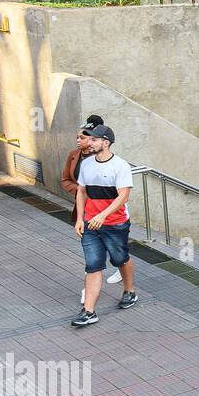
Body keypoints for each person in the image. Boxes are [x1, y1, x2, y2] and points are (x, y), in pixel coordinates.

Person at [71, 124, 136, 327]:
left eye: (94, 140)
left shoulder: (121, 166)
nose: (90, 143)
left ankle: (129, 291)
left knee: (120, 259)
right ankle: (89, 311)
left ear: (105, 142)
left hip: (116, 224)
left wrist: (104, 215)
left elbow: (123, 195)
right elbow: (81, 192)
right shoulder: (87, 164)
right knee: (93, 266)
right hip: (91, 224)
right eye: (89, 139)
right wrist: (80, 219)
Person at [61, 115, 103, 223]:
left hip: (101, 207)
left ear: (92, 139)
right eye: (77, 137)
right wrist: (80, 189)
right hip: (82, 207)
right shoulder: (73, 155)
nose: (78, 140)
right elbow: (65, 180)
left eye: (82, 138)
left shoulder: (101, 157)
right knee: (86, 237)